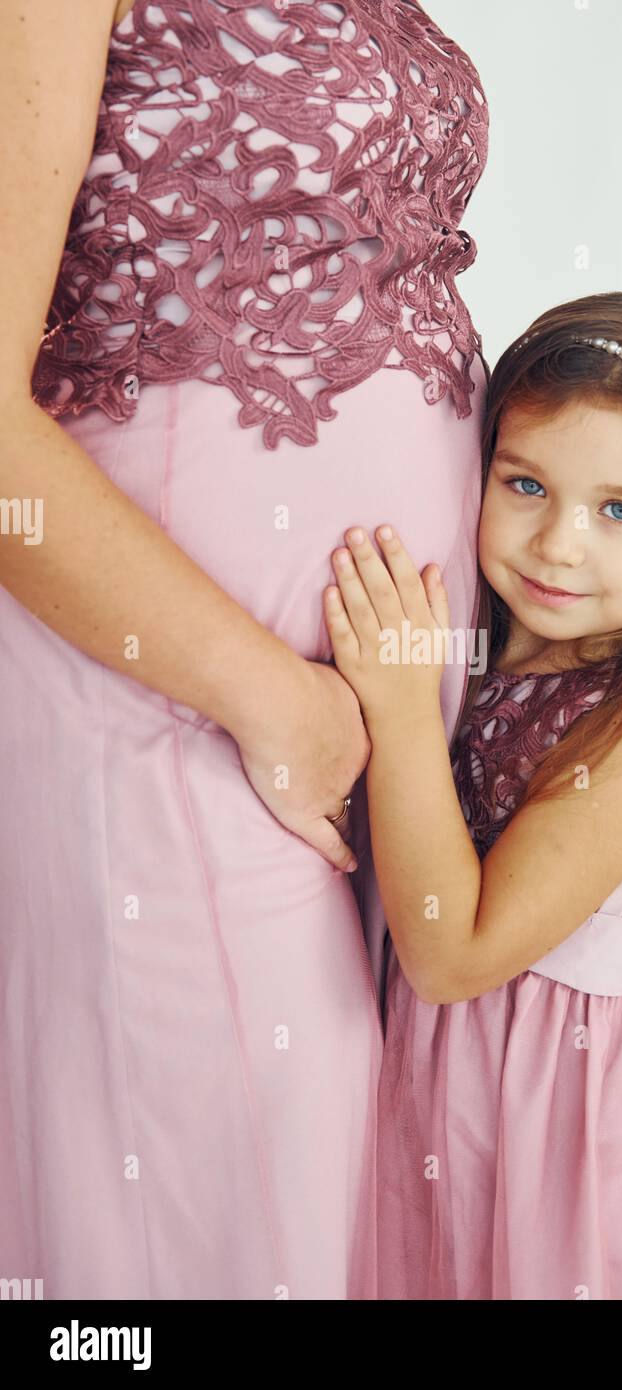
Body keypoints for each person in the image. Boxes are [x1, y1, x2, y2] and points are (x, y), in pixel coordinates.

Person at [0, 0, 488, 1298]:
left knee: (329, 1200)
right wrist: (273, 700)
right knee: (223, 1221)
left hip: (369, 724)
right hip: (184, 701)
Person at [323, 291, 622, 1299]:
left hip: (564, 1134)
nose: (558, 543)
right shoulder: (474, 656)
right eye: (525, 484)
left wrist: (401, 713)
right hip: (439, 1102)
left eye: (620, 509)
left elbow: (453, 954)